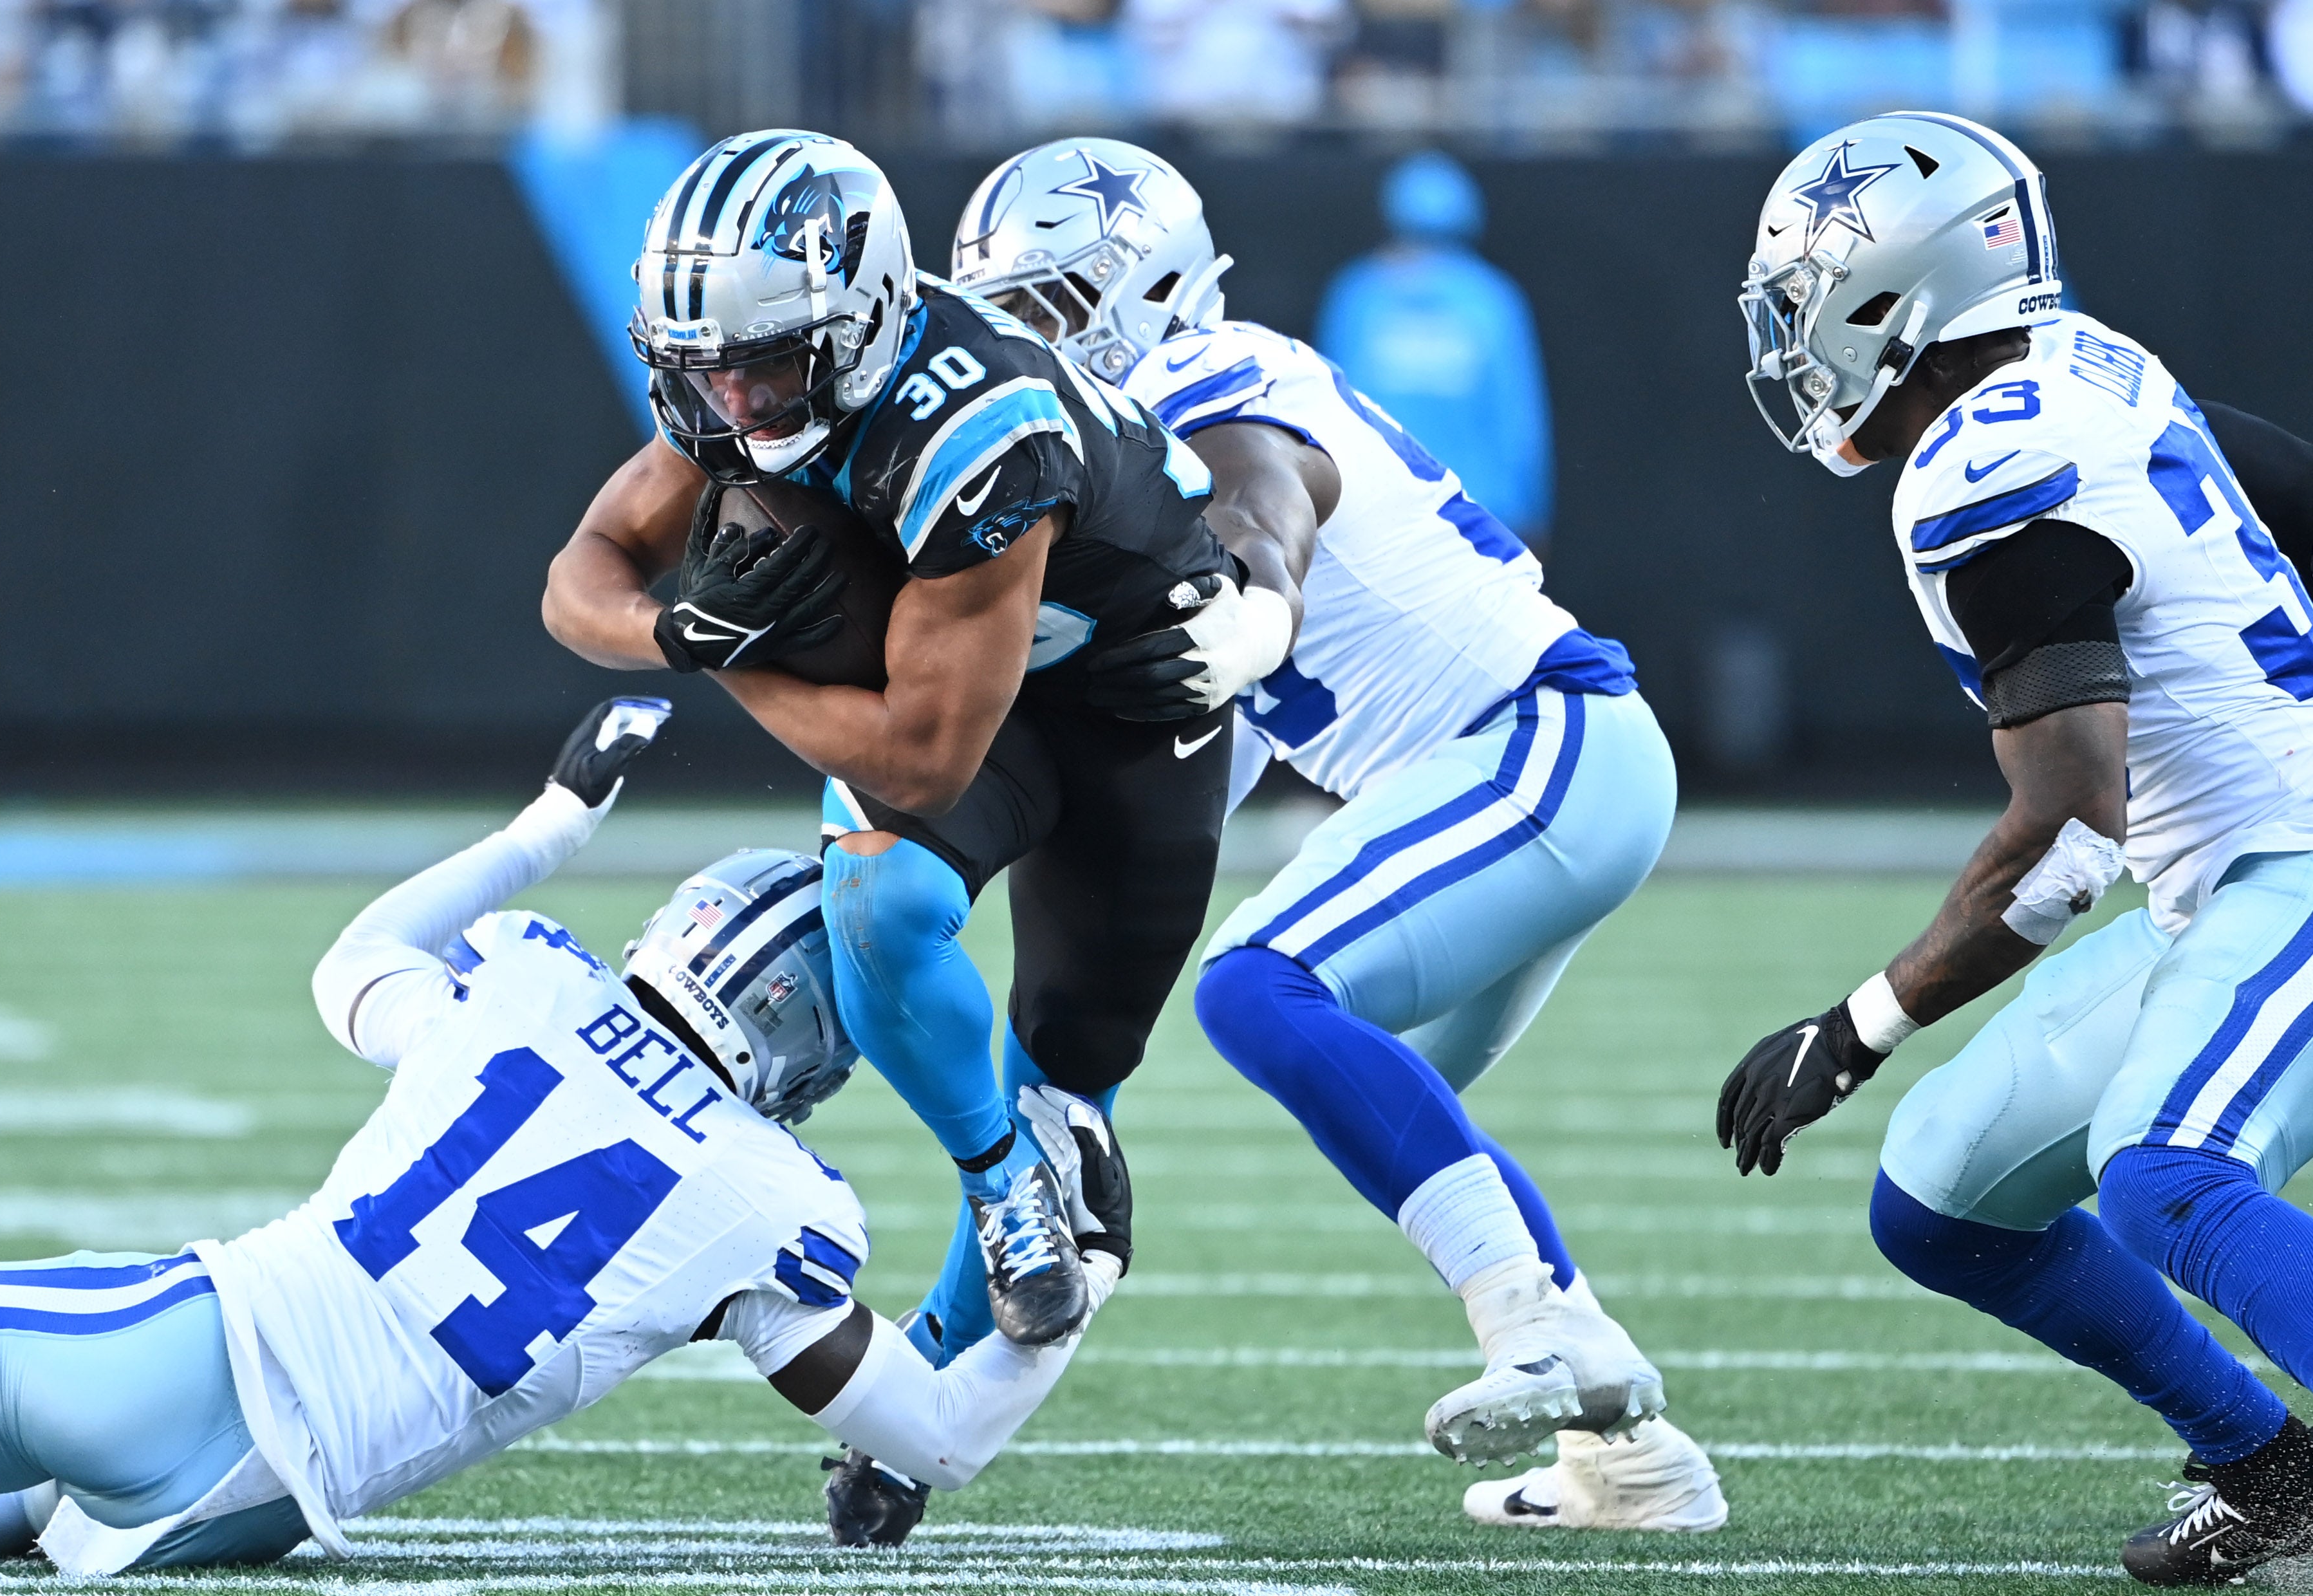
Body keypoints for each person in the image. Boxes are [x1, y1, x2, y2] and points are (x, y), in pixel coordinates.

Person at [951, 136, 1725, 1535]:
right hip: (1522, 770)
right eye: (1005, 316)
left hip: (1540, 740)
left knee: (1262, 993)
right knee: (1400, 1113)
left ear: (1151, 289)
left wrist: (1255, 600)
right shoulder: (1126, 446)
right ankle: (1635, 1457)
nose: (1024, 347)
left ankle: (1535, 1336)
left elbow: (1264, 499)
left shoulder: (1204, 379)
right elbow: (1201, 774)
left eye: (1052, 310)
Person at [0, 698, 1130, 1571]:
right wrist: (1098, 1266)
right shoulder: (778, 1206)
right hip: (264, 1507)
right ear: (817, 1049)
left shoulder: (527, 985)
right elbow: (940, 1438)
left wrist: (550, 824)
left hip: (182, 1357)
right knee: (3, 1511)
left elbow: (354, 967)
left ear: (689, 923)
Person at [539, 130, 1272, 1541]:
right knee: (881, 916)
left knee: (1067, 1091)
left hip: (1130, 713)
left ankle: (931, 1387)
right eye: (704, 370)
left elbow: (924, 749)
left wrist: (733, 661)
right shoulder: (744, 372)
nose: (731, 402)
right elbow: (579, 577)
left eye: (762, 367)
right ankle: (999, 1188)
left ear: (862, 318)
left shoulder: (976, 426)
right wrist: (674, 628)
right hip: (961, 681)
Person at [1722, 110, 2313, 1586]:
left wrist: (1857, 1026)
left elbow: (2062, 845)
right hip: (2226, 872)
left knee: (2163, 1170)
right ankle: (2267, 1462)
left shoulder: (1981, 473)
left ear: (1887, 304)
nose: (1791, 342)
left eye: (1802, 306)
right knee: (1942, 1189)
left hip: (2289, 853)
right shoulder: (2085, 368)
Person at [1314, 151, 1554, 547]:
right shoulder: (1492, 297)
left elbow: (1327, 409)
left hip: (1376, 518)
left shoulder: (1357, 294)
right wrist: (1532, 513)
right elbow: (1518, 420)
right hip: (1479, 520)